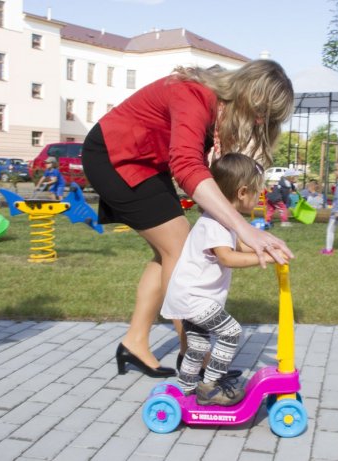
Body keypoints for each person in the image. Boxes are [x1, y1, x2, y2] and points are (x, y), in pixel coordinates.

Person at [81, 59, 295, 378]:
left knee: (168, 251)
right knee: (181, 253)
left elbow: (203, 170)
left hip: (148, 164)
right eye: (261, 112)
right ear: (249, 95)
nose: (260, 121)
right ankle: (193, 355)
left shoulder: (217, 108)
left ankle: (134, 343)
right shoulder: (192, 95)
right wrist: (245, 230)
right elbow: (185, 165)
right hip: (115, 157)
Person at [162, 153, 279, 405]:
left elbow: (239, 245)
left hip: (192, 296)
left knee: (198, 346)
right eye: (257, 192)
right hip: (193, 298)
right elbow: (228, 257)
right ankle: (210, 385)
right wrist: (265, 260)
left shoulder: (221, 222)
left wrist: (266, 249)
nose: (260, 197)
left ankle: (185, 389)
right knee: (231, 331)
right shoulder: (214, 223)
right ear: (242, 192)